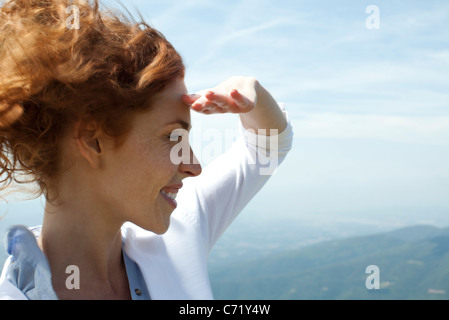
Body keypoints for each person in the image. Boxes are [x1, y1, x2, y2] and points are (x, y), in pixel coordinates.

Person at [0, 0, 293, 300]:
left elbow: (267, 147)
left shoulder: (179, 231)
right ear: (92, 140)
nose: (194, 166)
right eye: (172, 137)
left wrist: (251, 92)